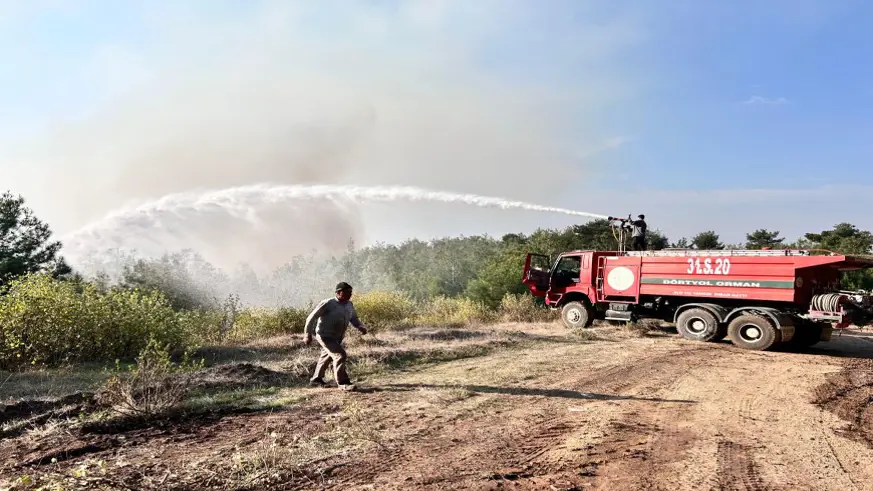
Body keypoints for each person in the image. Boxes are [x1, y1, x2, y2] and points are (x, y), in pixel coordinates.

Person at [303, 282, 368, 391]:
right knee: (340, 355)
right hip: (325, 335)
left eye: (350, 292)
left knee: (326, 356)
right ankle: (343, 383)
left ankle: (316, 379)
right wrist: (307, 334)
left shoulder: (349, 304)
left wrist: (360, 326)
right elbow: (311, 317)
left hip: (337, 337)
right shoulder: (328, 303)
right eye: (347, 292)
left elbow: (353, 318)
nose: (350, 294)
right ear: (338, 293)